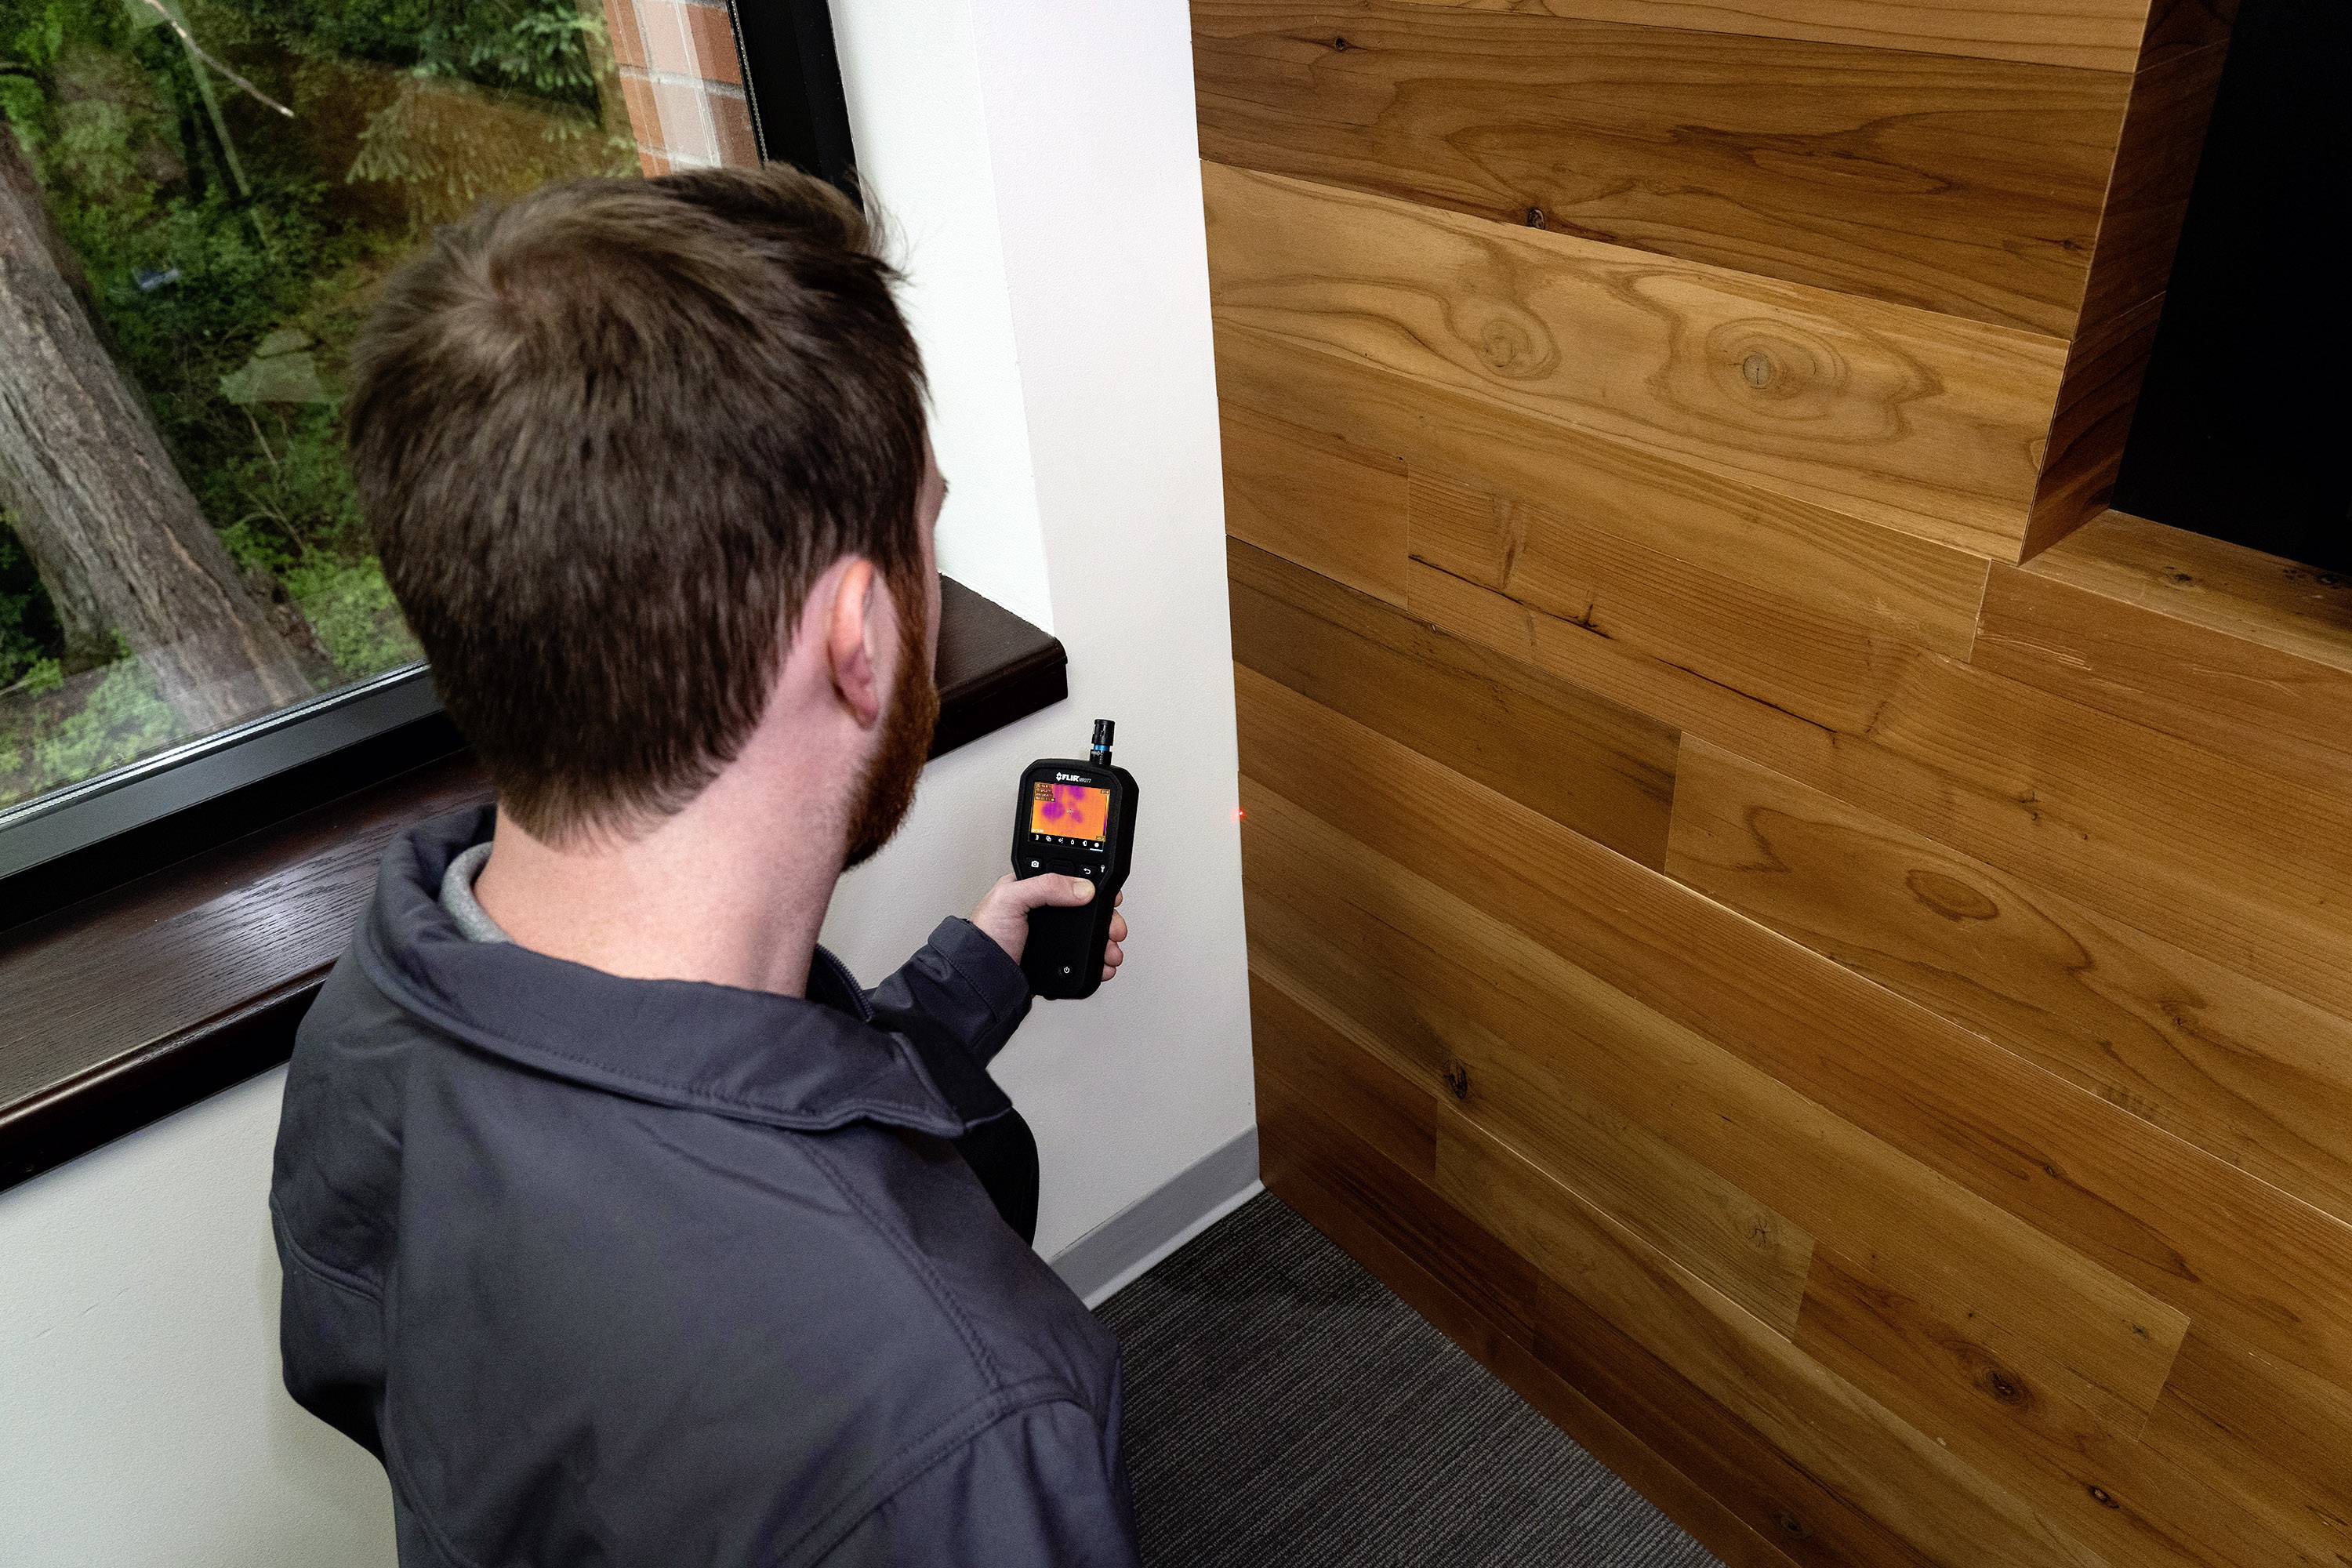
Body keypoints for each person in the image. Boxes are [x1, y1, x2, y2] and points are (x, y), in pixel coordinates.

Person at [268, 166, 1139, 1567]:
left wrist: (968, 977)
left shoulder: (380, 1013)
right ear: (859, 633)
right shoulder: (960, 1417)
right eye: (928, 526)